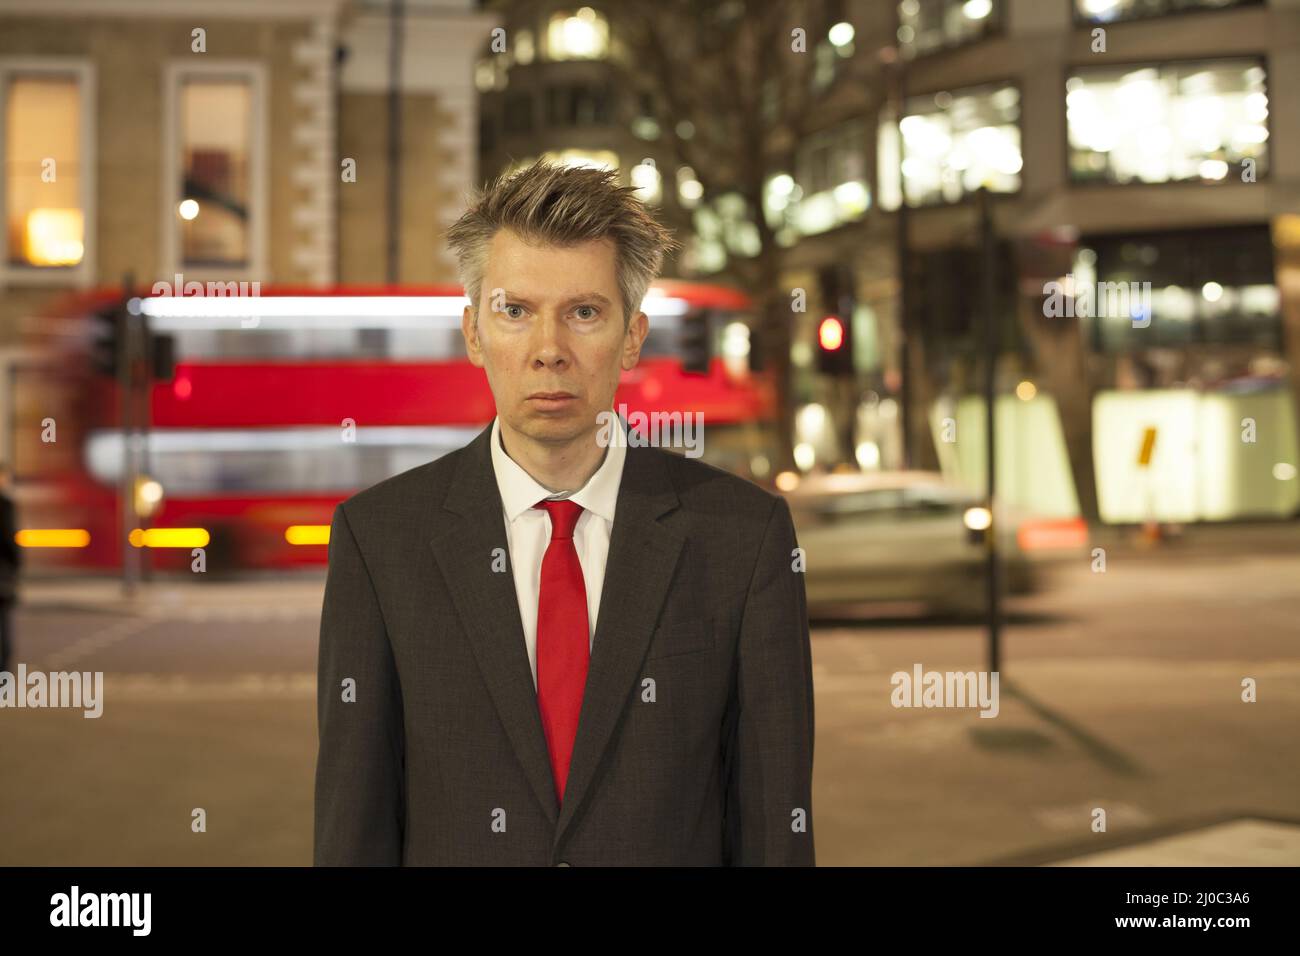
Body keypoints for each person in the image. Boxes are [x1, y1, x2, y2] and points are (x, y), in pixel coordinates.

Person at [313, 161, 814, 866]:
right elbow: (352, 831)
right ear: (473, 333)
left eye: (584, 313)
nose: (549, 351)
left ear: (634, 336)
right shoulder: (379, 542)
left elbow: (774, 829)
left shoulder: (745, 541)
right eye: (515, 311)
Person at [0, 462, 20, 674]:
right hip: (2, 575)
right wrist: (15, 569)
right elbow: (9, 542)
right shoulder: (5, 505)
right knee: (3, 629)